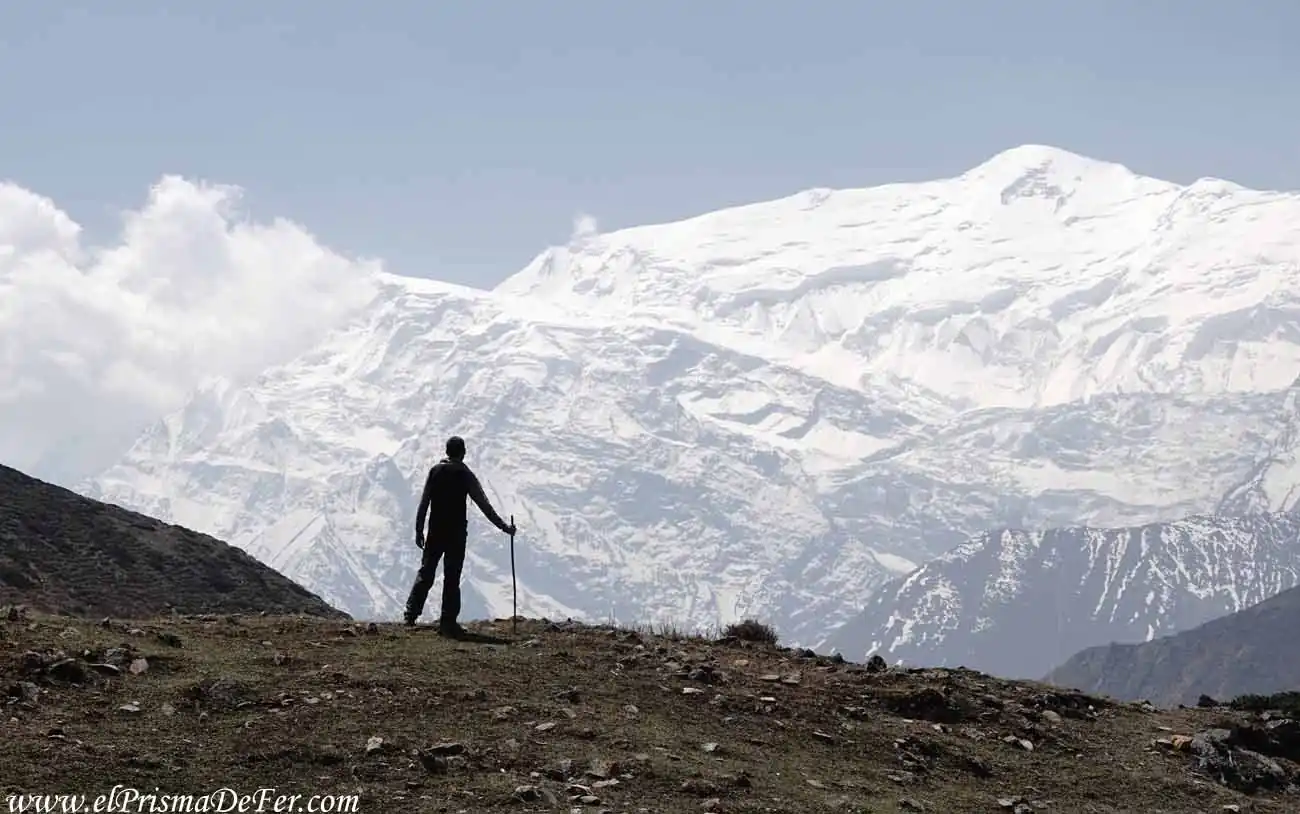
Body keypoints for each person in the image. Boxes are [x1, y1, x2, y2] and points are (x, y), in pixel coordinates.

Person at [403, 435, 516, 637]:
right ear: (463, 452)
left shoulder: (435, 471)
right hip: (455, 533)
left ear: (447, 451)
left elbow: (424, 501)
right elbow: (484, 505)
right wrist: (504, 527)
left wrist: (419, 529)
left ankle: (410, 614)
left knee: (426, 572)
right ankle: (447, 622)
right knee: (452, 577)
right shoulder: (465, 474)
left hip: (435, 530)